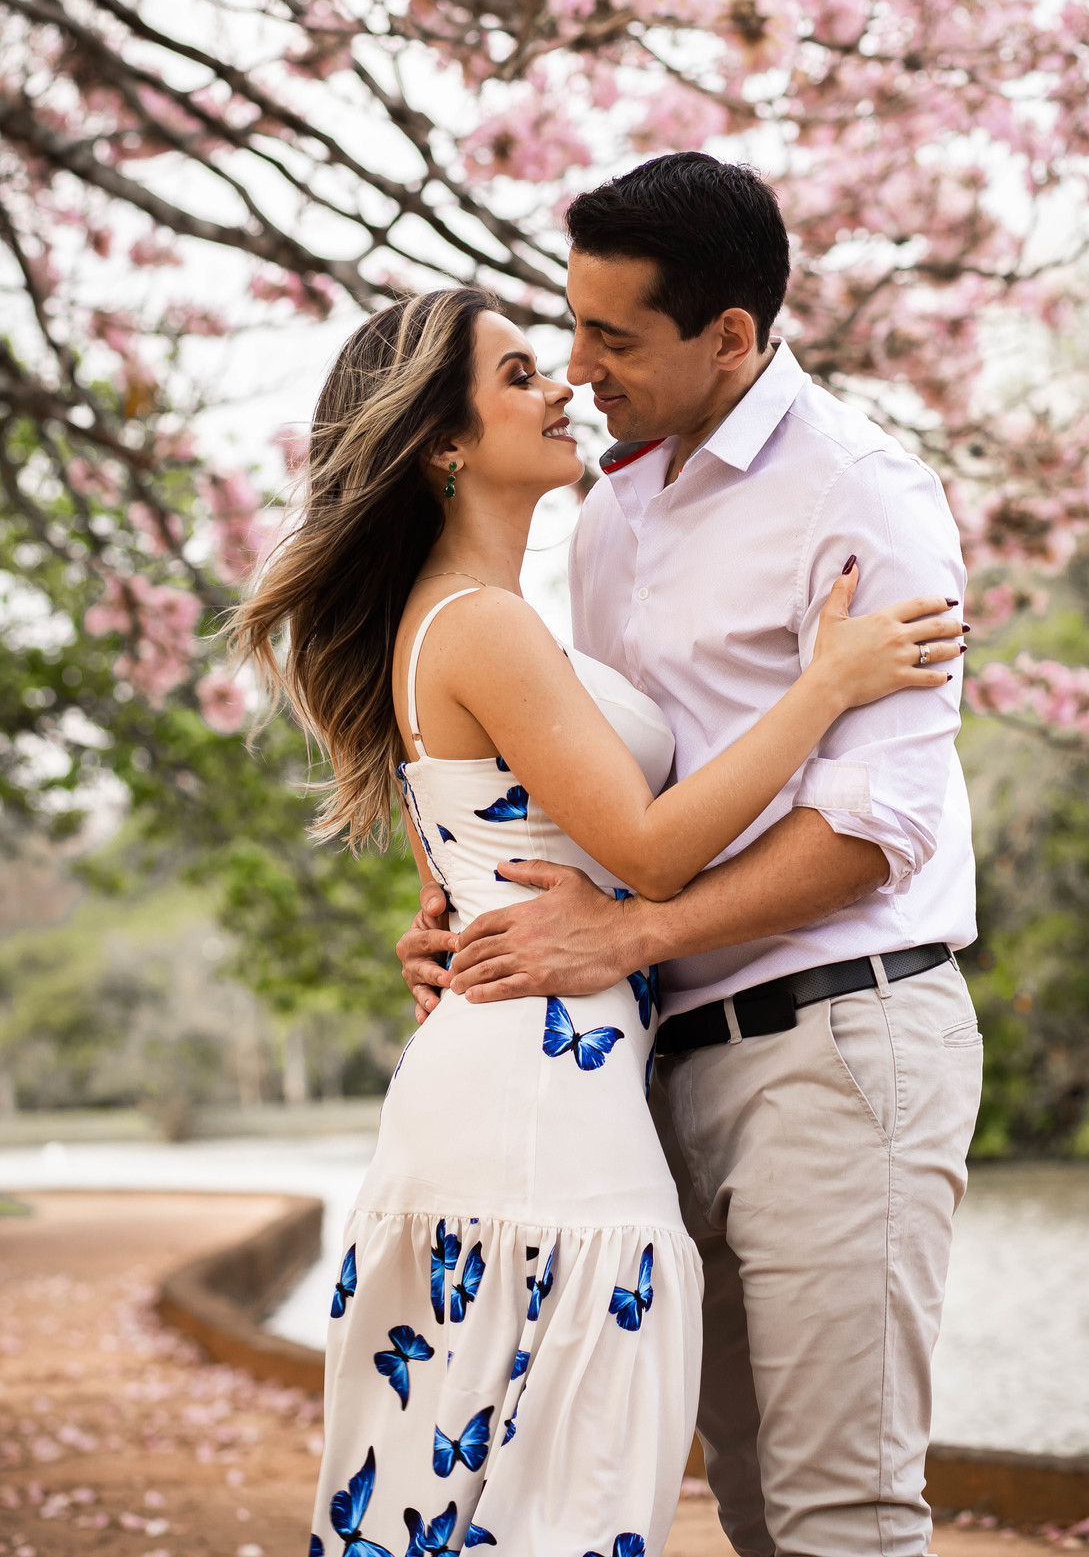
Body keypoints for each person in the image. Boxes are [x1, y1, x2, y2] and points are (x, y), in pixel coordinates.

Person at [231, 283, 964, 1557]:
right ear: (441, 445)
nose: (565, 380)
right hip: (542, 1095)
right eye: (519, 373)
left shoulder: (490, 613)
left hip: (549, 1063)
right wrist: (827, 685)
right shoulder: (484, 622)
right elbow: (649, 849)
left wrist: (450, 918)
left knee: (486, 1481)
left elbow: (483, 845)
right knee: (554, 1492)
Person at [399, 154, 985, 1557]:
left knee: (845, 1508)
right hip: (656, 1064)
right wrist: (464, 900)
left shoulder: (861, 495)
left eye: (616, 339)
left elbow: (873, 834)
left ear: (731, 334)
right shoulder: (610, 519)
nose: (583, 370)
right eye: (571, 327)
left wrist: (628, 935)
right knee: (753, 1499)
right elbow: (605, 793)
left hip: (836, 1044)